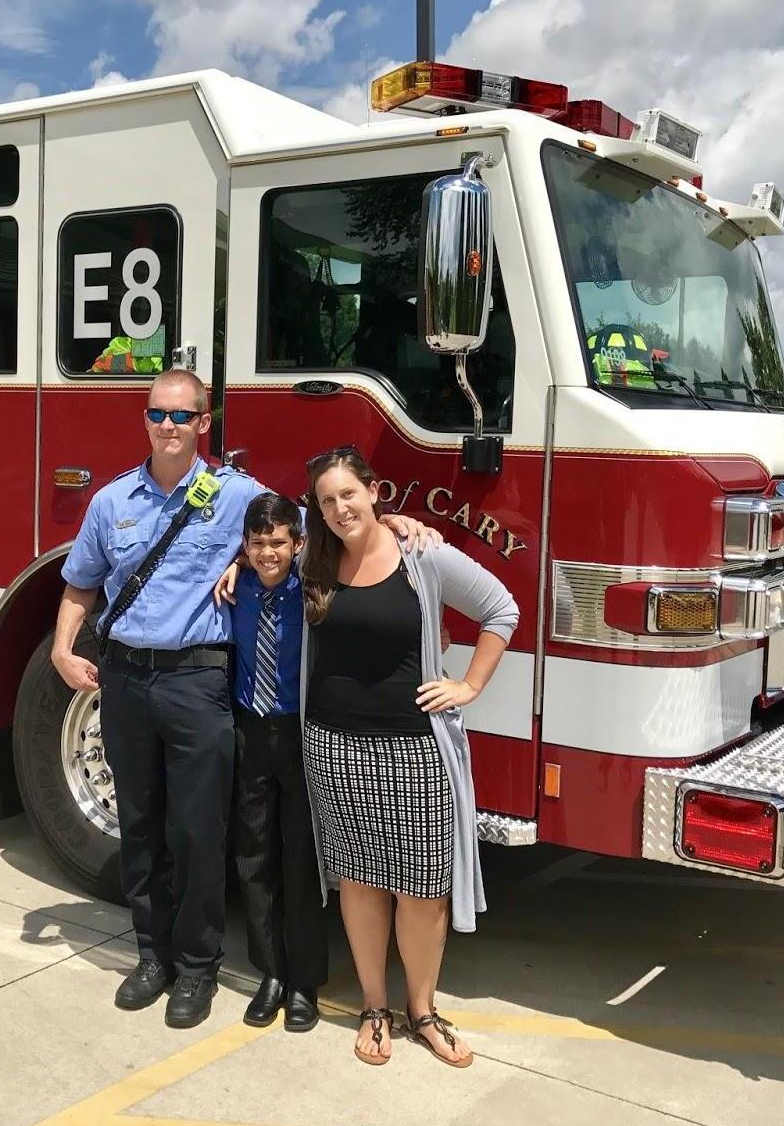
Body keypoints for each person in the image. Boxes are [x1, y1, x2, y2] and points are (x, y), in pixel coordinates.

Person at [52, 372, 436, 1030]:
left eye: (182, 415)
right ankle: (154, 956)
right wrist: (63, 649)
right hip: (125, 681)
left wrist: (387, 521)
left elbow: (316, 521)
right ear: (144, 421)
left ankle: (197, 970)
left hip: (198, 680)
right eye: (157, 414)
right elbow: (80, 585)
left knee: (199, 831)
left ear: (205, 422)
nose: (169, 426)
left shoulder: (234, 495)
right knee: (141, 825)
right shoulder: (111, 501)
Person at [299, 445, 518, 1068]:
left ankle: (422, 1011)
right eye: (327, 499)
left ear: (374, 491)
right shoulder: (313, 558)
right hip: (334, 746)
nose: (340, 508)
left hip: (415, 748)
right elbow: (263, 537)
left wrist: (469, 684)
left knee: (424, 890)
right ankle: (375, 1007)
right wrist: (236, 568)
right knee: (361, 882)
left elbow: (501, 607)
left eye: (350, 494)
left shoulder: (422, 554)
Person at [225, 492, 326, 1031]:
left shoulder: (311, 591)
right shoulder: (233, 585)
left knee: (300, 856)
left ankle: (305, 980)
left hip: (298, 732)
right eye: (259, 543)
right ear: (245, 546)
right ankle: (269, 972)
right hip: (250, 729)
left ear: (298, 543)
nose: (269, 553)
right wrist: (229, 563)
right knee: (254, 853)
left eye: (279, 543)